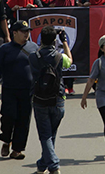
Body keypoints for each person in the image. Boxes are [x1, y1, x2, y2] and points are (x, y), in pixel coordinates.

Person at [0, 19, 38, 160]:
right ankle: (6, 139)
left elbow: (39, 68)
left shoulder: (33, 47)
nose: (26, 34)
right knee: (8, 117)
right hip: (10, 90)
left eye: (28, 32)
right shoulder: (5, 49)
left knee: (23, 120)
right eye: (23, 32)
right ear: (14, 33)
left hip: (27, 91)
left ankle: (17, 149)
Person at [29, 26, 73, 174]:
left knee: (45, 135)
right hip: (58, 99)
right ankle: (44, 166)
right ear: (55, 41)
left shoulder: (33, 56)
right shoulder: (60, 57)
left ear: (41, 39)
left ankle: (51, 166)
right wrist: (65, 42)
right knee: (50, 134)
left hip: (39, 99)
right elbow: (70, 60)